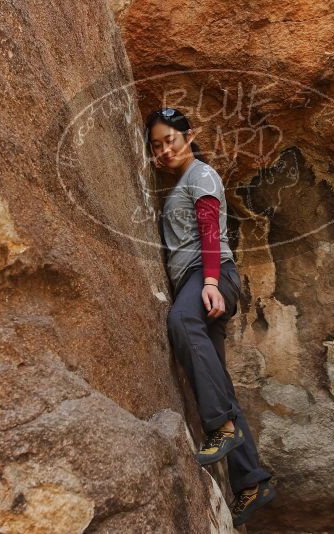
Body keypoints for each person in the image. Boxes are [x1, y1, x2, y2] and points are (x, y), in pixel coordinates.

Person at [144, 107, 276, 527]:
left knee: (183, 323)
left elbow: (209, 232)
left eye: (172, 139)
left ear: (188, 136)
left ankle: (220, 425)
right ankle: (251, 479)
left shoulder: (200, 174)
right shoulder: (181, 180)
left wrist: (212, 283)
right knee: (216, 378)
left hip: (209, 273)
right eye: (156, 145)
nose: (165, 150)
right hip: (201, 279)